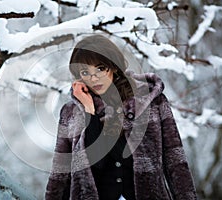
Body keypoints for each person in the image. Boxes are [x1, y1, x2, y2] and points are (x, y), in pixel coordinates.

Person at [45, 34, 197, 200]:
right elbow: (60, 173)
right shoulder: (70, 112)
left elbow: (175, 159)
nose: (93, 78)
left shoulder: (152, 102)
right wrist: (89, 111)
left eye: (100, 68)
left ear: (114, 66)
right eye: (85, 72)